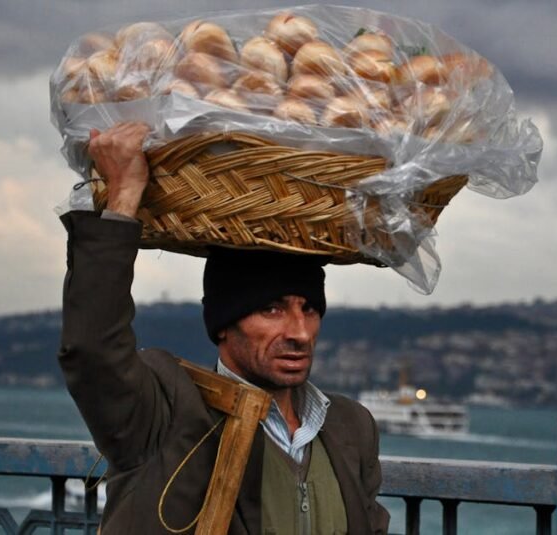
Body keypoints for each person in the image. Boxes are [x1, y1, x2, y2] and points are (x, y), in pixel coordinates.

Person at [58, 122, 390, 534]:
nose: (300, 332)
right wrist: (124, 194)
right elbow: (92, 348)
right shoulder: (165, 413)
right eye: (271, 310)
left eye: (308, 309)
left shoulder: (351, 428)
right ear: (222, 326)